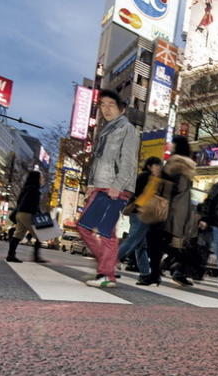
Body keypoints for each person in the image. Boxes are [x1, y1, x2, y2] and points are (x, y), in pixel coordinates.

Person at [79, 89, 139, 288]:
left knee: (105, 231)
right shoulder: (106, 130)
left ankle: (107, 274)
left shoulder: (127, 128)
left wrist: (118, 185)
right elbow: (97, 160)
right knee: (84, 226)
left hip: (115, 187)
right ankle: (108, 265)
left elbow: (129, 161)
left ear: (121, 108)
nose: (106, 109)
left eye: (111, 104)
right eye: (102, 104)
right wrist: (91, 184)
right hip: (102, 185)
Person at [146, 136, 197, 286]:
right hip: (178, 210)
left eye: (172, 142)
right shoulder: (187, 164)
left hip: (167, 209)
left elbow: (174, 187)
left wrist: (159, 179)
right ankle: (171, 269)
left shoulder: (176, 163)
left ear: (176, 145)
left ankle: (160, 272)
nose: (169, 144)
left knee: (155, 241)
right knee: (162, 243)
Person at [117, 156, 163, 285]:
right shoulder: (147, 177)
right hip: (141, 213)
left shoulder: (146, 177)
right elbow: (144, 196)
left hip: (138, 213)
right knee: (133, 240)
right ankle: (108, 264)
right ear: (150, 166)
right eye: (157, 165)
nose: (159, 168)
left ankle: (144, 273)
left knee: (140, 245)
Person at [6, 171, 46, 263]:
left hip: (20, 214)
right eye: (41, 177)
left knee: (18, 235)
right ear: (37, 179)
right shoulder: (34, 189)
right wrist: (40, 215)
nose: (42, 179)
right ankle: (36, 257)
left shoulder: (26, 188)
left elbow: (19, 202)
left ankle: (10, 255)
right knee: (41, 234)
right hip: (28, 214)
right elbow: (35, 205)